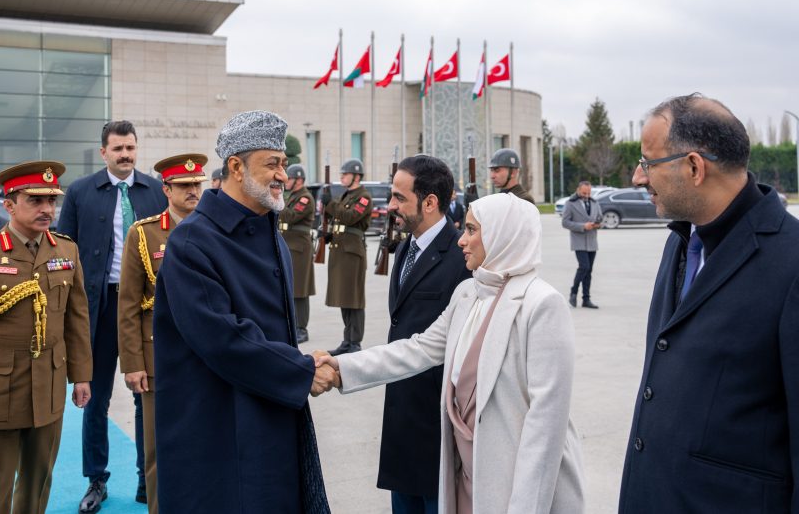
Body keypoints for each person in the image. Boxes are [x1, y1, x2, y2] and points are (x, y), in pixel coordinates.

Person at [318, 193, 584, 514]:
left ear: (502, 235)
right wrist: (339, 368)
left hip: (515, 488)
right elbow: (417, 350)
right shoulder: (467, 293)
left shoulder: (541, 305)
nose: (461, 240)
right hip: (466, 482)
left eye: (471, 230)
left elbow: (545, 428)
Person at [619, 93, 799, 513]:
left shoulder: (790, 263)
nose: (637, 177)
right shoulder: (680, 241)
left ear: (695, 167)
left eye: (648, 163)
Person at [153, 110, 335, 513]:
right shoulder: (192, 243)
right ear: (235, 166)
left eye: (283, 164)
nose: (282, 175)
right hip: (216, 432)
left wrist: (299, 365)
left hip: (269, 419)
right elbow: (223, 339)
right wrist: (301, 370)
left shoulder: (272, 236)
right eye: (271, 164)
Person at [59, 120, 167, 513]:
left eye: (131, 148)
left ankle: (146, 476)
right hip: (97, 309)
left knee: (146, 397)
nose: (125, 155)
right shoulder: (80, 192)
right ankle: (96, 480)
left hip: (145, 312)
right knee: (96, 397)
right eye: (118, 148)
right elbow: (64, 251)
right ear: (103, 151)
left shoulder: (157, 190)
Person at [378, 155, 472, 514]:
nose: (391, 206)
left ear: (430, 202)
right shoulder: (406, 248)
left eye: (399, 198)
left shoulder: (462, 257)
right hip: (402, 418)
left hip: (436, 425)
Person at [0, 162, 93, 514]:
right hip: (2, 384)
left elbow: (77, 318)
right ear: (9, 204)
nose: (47, 210)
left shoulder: (66, 250)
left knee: (38, 480)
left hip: (49, 382)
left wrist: (81, 375)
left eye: (52, 201)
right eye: (36, 200)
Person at [117, 153, 207, 514]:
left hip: (207, 356)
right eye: (184, 186)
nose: (192, 192)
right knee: (159, 450)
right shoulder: (144, 233)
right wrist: (132, 364)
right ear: (166, 189)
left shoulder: (214, 227)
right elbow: (127, 304)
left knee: (205, 444)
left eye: (197, 185)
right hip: (159, 360)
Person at [322, 158, 373, 355]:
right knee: (344, 297)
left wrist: (331, 204)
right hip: (341, 251)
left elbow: (350, 217)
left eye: (345, 174)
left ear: (356, 176)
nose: (342, 177)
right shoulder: (347, 195)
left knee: (354, 298)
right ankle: (347, 340)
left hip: (352, 253)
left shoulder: (364, 197)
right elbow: (341, 222)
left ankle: (355, 342)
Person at [278, 164, 315, 344]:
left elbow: (290, 216)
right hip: (291, 246)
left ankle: (302, 328)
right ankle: (294, 325)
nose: (287, 181)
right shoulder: (293, 196)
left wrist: (276, 199)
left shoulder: (305, 198)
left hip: (300, 248)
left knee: (300, 290)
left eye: (289, 178)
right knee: (293, 288)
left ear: (299, 180)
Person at [561, 181, 602, 309]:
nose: (586, 195)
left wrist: (597, 224)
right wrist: (582, 226)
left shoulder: (595, 203)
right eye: (584, 193)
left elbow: (600, 218)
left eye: (589, 193)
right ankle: (573, 292)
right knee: (584, 267)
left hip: (592, 242)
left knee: (589, 271)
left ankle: (586, 299)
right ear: (578, 190)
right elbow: (565, 222)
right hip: (578, 242)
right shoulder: (570, 203)